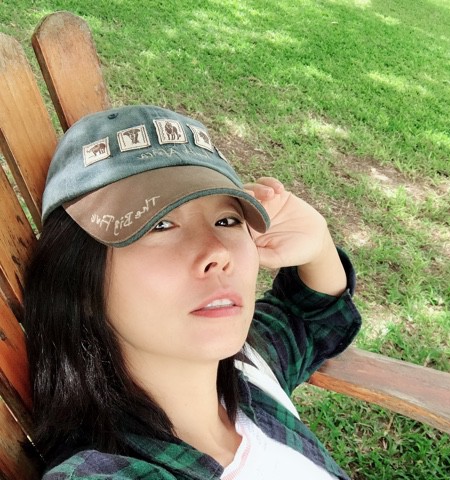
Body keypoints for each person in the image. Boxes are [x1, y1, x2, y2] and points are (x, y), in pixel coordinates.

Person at [24, 105, 362, 479]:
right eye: (160, 225)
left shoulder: (251, 369)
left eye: (227, 220)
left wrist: (319, 244)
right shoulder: (104, 472)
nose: (217, 252)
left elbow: (311, 317)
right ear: (80, 281)